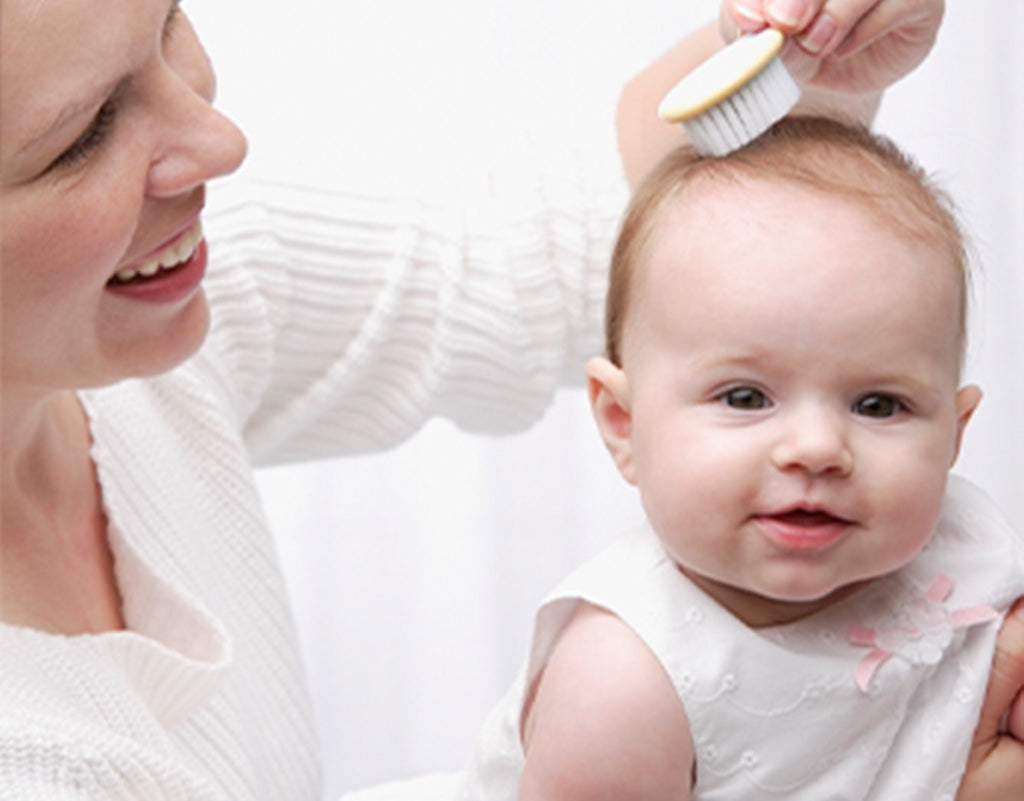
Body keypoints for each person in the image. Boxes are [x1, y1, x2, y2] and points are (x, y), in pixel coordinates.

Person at [0, 0, 1020, 798]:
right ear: (616, 422)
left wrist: (794, 61)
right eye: (83, 134)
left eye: (167, 25)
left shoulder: (180, 291)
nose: (218, 141)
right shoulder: (622, 684)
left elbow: (572, 261)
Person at [457, 117, 1024, 800]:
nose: (816, 447)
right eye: (746, 396)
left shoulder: (966, 551)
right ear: (623, 422)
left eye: (878, 405)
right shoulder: (622, 683)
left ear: (954, 436)